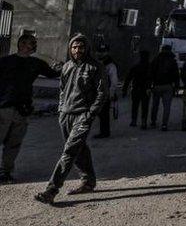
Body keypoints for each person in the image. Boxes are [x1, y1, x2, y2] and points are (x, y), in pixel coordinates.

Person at [34, 34, 108, 203]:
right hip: (66, 114)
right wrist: (61, 109)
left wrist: (90, 114)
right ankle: (88, 182)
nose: (77, 50)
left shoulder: (95, 67)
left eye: (80, 47)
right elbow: (62, 90)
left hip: (82, 116)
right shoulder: (67, 66)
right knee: (79, 148)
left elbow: (102, 93)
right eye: (74, 47)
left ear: (86, 48)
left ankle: (51, 190)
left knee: (69, 151)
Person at [0, 33, 61, 183]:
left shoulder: (37, 63)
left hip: (23, 110)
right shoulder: (5, 62)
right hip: (4, 108)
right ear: (21, 44)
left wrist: (67, 66)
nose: (34, 45)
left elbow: (53, 73)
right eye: (31, 43)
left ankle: (4, 173)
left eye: (34, 43)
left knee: (13, 143)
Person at [149, 45, 179, 131]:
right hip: (168, 86)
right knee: (167, 106)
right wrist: (176, 86)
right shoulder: (172, 61)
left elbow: (151, 73)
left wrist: (150, 85)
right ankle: (164, 124)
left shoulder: (156, 60)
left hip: (157, 85)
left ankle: (153, 121)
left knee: (155, 105)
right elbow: (176, 75)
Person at [122, 51, 152, 129]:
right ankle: (143, 121)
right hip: (146, 89)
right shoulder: (150, 67)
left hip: (136, 88)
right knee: (145, 106)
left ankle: (134, 120)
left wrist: (124, 89)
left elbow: (128, 78)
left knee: (135, 105)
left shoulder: (136, 67)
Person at [94, 51, 119, 139]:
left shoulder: (110, 67)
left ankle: (104, 132)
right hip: (102, 93)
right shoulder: (105, 66)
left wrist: (111, 93)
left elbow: (114, 81)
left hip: (105, 93)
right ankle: (104, 131)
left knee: (103, 114)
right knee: (102, 114)